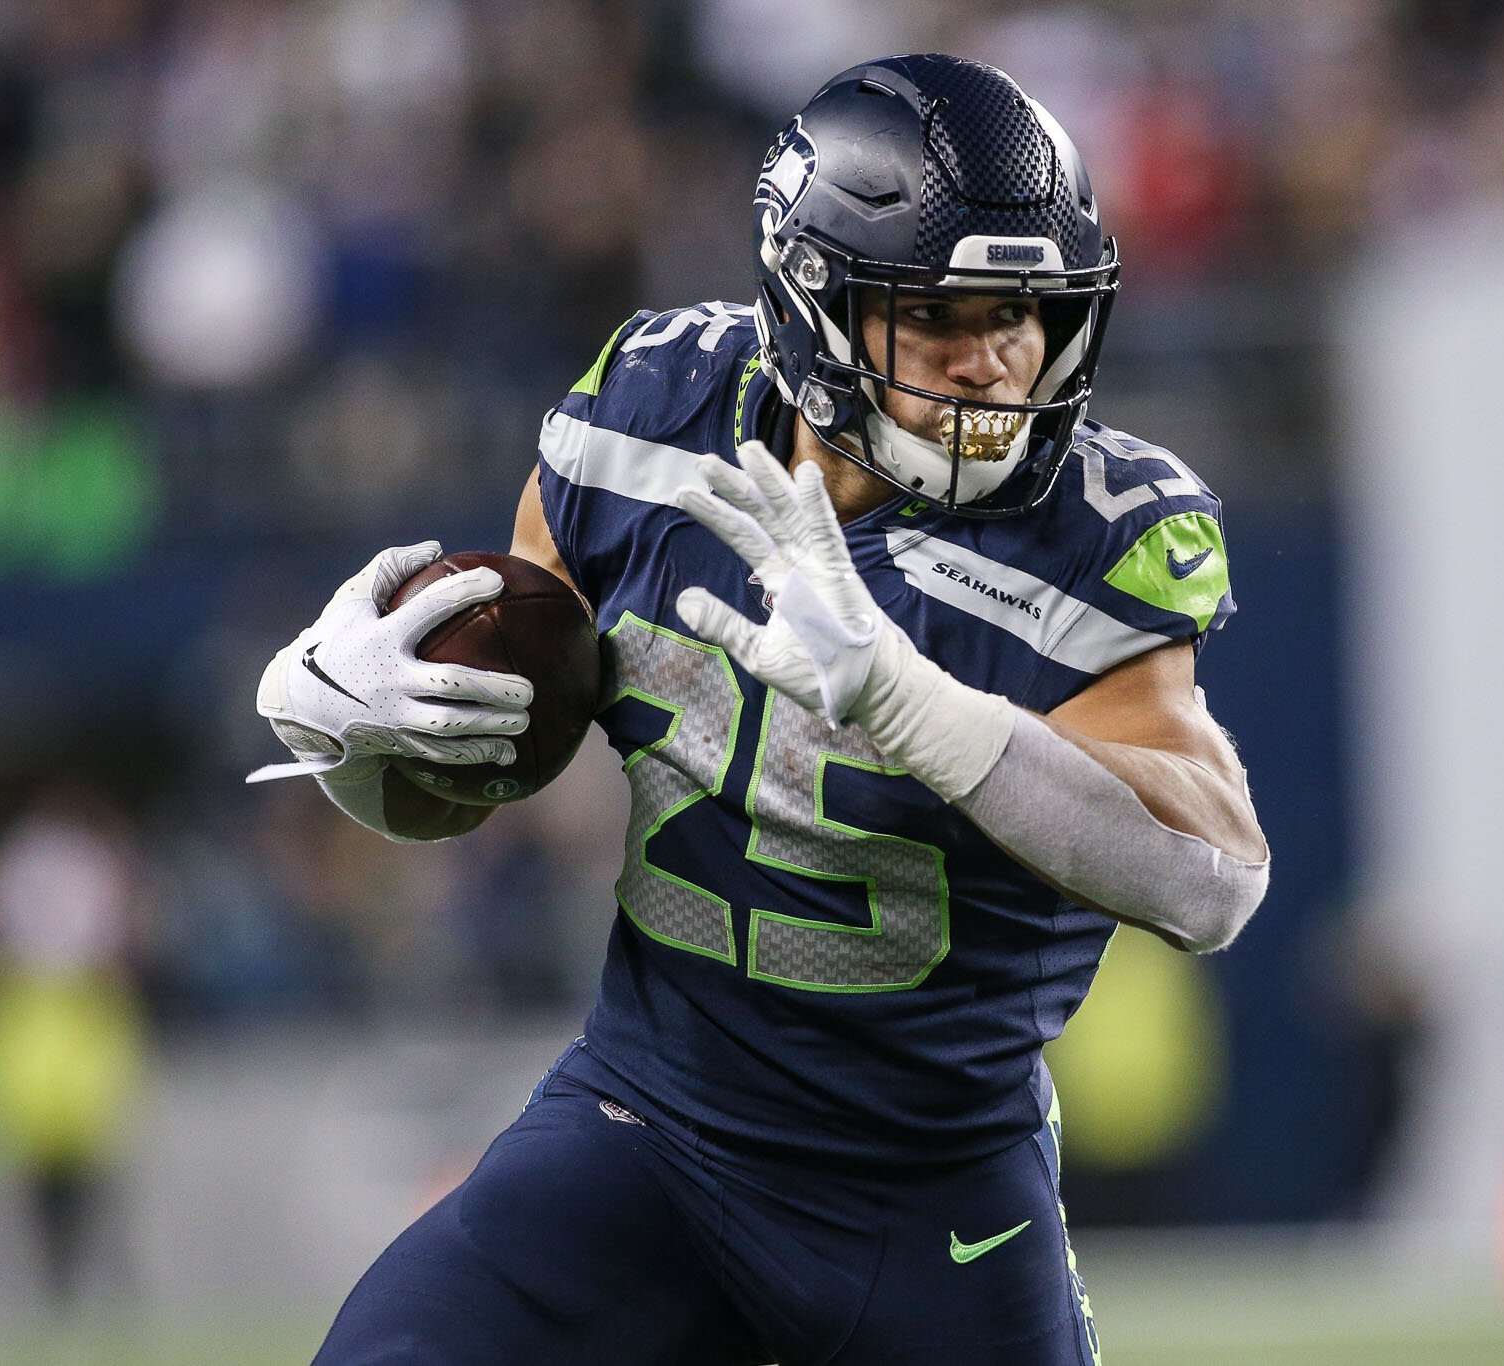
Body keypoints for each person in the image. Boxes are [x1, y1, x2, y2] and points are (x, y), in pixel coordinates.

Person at [252, 54, 1268, 1366]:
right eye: (941, 317)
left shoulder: (1099, 526)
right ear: (817, 303)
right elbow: (502, 725)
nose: (994, 367)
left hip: (928, 1188)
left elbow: (1207, 879)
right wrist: (362, 713)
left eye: (1023, 316)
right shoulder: (655, 409)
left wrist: (915, 706)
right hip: (650, 1120)